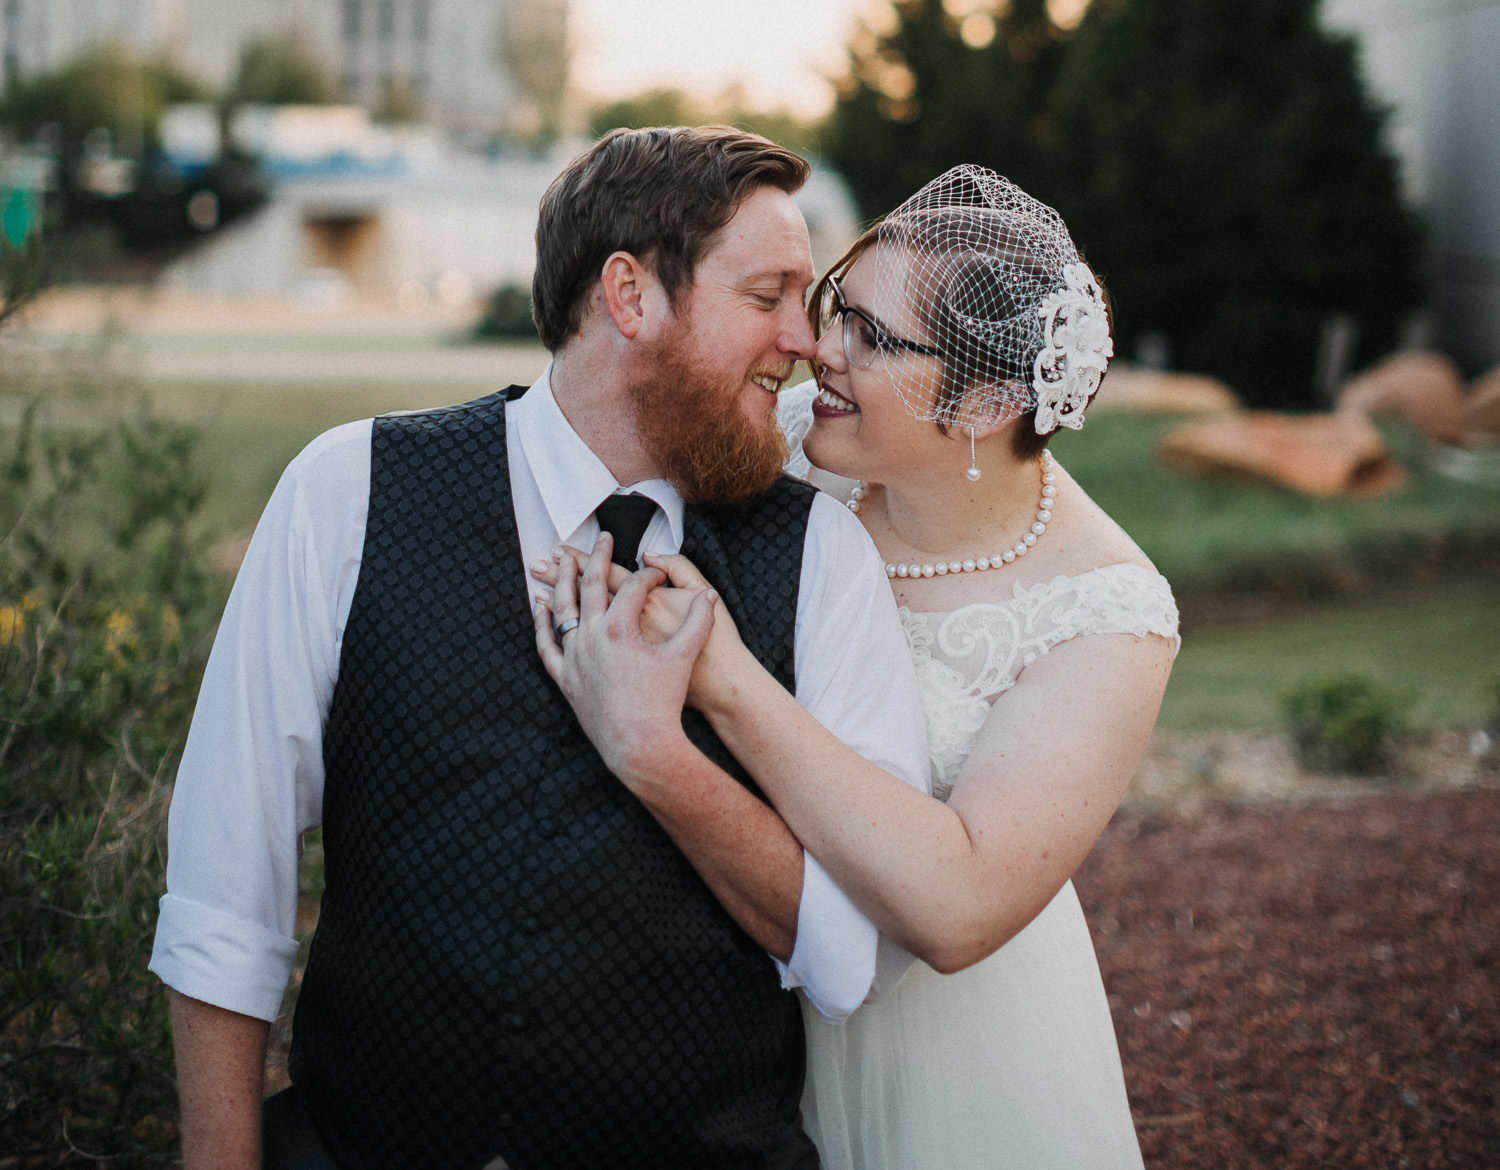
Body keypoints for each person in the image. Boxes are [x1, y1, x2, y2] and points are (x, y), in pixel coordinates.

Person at [150, 125, 931, 1170]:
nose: (808, 343)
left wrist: (658, 760)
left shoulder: (822, 556)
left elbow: (854, 957)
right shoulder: (348, 493)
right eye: (767, 298)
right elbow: (223, 892)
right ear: (630, 297)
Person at [536, 165, 1179, 1170]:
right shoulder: (781, 449)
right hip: (729, 997)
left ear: (989, 402)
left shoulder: (1108, 611)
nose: (813, 350)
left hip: (949, 1056)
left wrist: (729, 683)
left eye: (870, 339)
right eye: (836, 308)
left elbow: (961, 910)